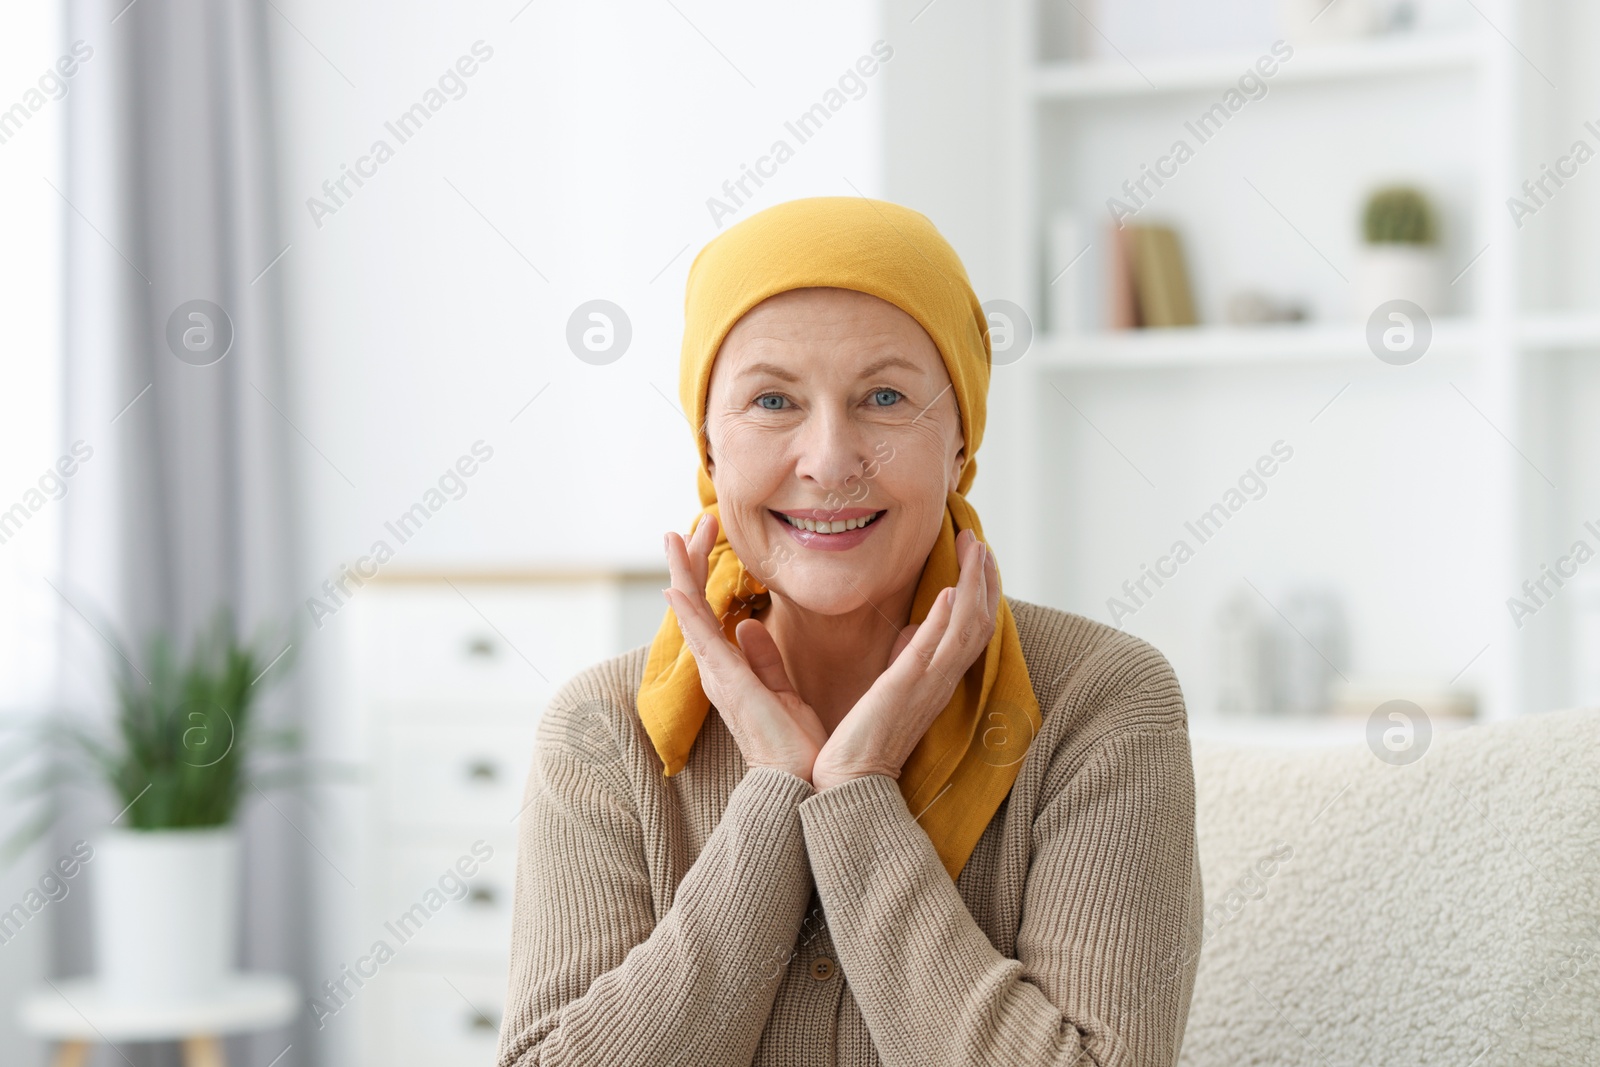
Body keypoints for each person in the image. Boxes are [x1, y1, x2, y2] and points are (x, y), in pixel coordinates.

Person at [496, 196, 1202, 1067]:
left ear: (959, 444)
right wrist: (770, 800)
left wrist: (859, 793)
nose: (829, 459)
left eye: (884, 395)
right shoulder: (602, 727)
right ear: (710, 451)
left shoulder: (1100, 699)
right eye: (772, 399)